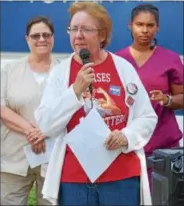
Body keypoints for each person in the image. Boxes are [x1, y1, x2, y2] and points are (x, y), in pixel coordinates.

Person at [34, 2, 157, 206]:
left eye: (86, 29)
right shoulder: (60, 72)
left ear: (102, 35)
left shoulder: (123, 68)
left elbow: (147, 116)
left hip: (122, 178)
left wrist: (126, 136)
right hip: (74, 180)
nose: (78, 35)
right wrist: (75, 91)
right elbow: (45, 124)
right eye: (73, 29)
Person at [115, 4, 184, 191]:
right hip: (128, 145)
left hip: (163, 147)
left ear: (157, 27)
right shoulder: (117, 60)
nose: (144, 30)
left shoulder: (170, 59)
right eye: (139, 24)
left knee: (163, 198)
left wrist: (167, 100)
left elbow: (182, 97)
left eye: (150, 25)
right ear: (130, 25)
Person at [0, 16, 60, 205]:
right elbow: (2, 109)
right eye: (36, 36)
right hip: (13, 160)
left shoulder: (64, 72)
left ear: (53, 38)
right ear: (27, 39)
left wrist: (44, 132)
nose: (41, 39)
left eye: (46, 35)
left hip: (52, 161)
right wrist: (32, 131)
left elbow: (69, 111)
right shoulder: (9, 70)